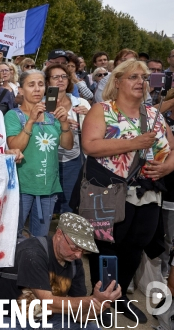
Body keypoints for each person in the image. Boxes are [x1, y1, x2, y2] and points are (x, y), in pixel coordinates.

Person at [75, 59, 174, 323]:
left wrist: (166, 167)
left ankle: (119, 297)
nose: (140, 82)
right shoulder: (103, 110)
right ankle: (101, 300)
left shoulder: (154, 114)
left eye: (143, 77)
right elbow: (91, 146)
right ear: (117, 82)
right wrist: (134, 143)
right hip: (110, 192)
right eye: (133, 77)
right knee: (107, 246)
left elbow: (172, 149)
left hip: (149, 193)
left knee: (136, 245)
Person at [0, 213, 120, 330]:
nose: (78, 255)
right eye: (75, 247)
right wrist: (91, 300)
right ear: (59, 234)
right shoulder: (32, 253)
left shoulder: (75, 262)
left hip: (51, 318)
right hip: (13, 318)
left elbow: (79, 316)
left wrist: (98, 306)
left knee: (92, 328)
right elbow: (48, 303)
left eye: (84, 251)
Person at [5, 70, 73, 238]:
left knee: (40, 239)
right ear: (20, 90)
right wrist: (30, 121)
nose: (37, 89)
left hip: (48, 187)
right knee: (15, 236)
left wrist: (64, 123)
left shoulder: (53, 116)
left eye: (41, 84)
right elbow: (15, 146)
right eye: (31, 85)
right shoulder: (13, 115)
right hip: (22, 187)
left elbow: (67, 145)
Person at [45, 63, 90, 215]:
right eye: (55, 77)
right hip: (47, 161)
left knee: (70, 205)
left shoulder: (81, 103)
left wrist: (87, 117)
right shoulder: (42, 104)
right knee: (48, 206)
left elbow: (92, 133)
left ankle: (66, 237)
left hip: (73, 159)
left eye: (64, 76)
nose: (60, 80)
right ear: (47, 82)